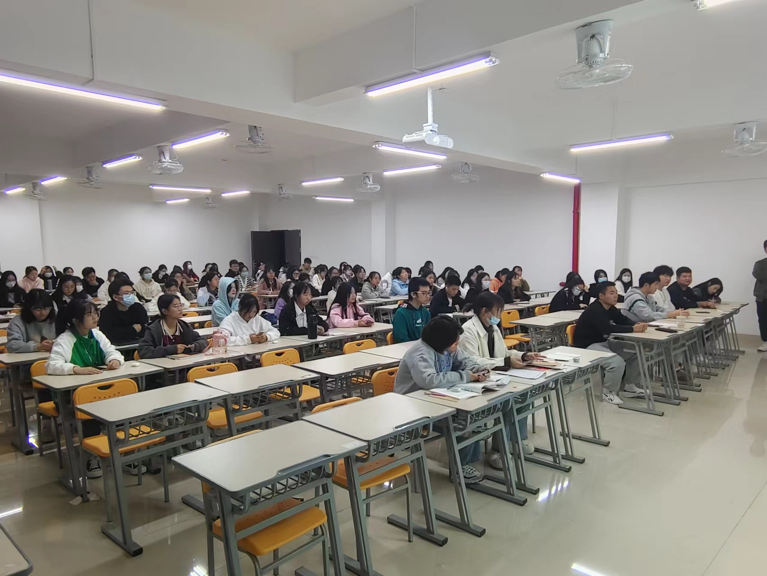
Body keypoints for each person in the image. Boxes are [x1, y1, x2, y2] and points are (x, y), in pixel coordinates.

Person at [394, 316, 488, 483]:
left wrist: (478, 369)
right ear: (441, 341)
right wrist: (465, 376)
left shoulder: (446, 346)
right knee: (462, 420)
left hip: (435, 398)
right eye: (455, 343)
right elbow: (429, 381)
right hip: (413, 406)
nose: (457, 346)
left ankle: (467, 460)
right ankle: (459, 468)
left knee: (472, 414)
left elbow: (465, 360)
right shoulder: (420, 353)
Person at [458, 292, 543, 459]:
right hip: (477, 380)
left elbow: (504, 353)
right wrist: (505, 361)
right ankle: (498, 449)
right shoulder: (467, 331)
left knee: (523, 396)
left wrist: (523, 355)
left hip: (497, 376)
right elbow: (473, 361)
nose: (500, 316)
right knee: (506, 402)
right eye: (498, 311)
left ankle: (516, 440)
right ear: (485, 311)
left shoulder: (493, 327)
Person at [46, 298, 124, 478]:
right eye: (89, 315)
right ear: (76, 320)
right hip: (72, 396)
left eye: (96, 313)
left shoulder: (97, 334)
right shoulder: (65, 339)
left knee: (121, 408)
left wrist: (113, 360)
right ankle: (91, 456)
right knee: (91, 416)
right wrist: (75, 369)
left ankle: (122, 449)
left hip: (100, 390)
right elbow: (51, 365)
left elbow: (113, 351)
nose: (95, 317)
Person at [573, 282, 647, 405]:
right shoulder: (594, 310)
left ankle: (630, 387)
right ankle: (608, 392)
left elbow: (622, 319)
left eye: (616, 293)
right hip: (588, 346)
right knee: (616, 362)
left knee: (636, 351)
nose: (615, 296)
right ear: (601, 296)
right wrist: (632, 329)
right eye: (612, 293)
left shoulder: (610, 308)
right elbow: (607, 328)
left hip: (604, 342)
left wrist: (636, 324)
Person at [138, 294, 209, 361]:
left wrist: (194, 346)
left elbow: (203, 341)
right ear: (165, 311)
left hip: (184, 364)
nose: (180, 309)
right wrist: (172, 349)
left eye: (180, 305)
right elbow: (144, 351)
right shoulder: (154, 329)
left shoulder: (184, 326)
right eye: (175, 306)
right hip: (162, 367)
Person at [622, 272, 689, 323]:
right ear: (646, 285)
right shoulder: (635, 298)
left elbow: (657, 309)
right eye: (655, 284)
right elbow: (648, 316)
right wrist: (669, 314)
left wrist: (676, 312)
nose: (657, 287)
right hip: (631, 329)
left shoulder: (649, 296)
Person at [99, 278, 149, 344]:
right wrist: (133, 330)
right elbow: (110, 335)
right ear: (115, 297)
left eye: (132, 292)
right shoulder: (107, 312)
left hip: (139, 345)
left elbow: (145, 330)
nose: (131, 296)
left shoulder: (138, 308)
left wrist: (123, 332)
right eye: (126, 293)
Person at [6, 289, 56, 353]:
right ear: (29, 308)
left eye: (47, 308)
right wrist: (37, 347)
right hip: (26, 358)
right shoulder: (17, 322)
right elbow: (12, 345)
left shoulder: (57, 318)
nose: (43, 313)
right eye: (38, 309)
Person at [392, 277, 432, 343]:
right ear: (413, 294)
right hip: (406, 347)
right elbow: (401, 338)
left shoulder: (426, 312)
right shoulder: (401, 314)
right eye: (423, 293)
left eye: (429, 293)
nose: (428, 296)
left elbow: (429, 336)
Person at [754, 241, 767, 352]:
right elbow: (758, 275)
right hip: (762, 297)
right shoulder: (760, 264)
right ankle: (766, 341)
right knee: (763, 320)